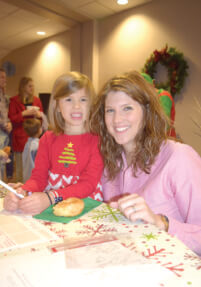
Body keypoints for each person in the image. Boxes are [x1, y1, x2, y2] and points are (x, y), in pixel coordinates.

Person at [90, 70, 201, 256]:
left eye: (127, 108)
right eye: (110, 110)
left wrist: (161, 223)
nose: (117, 119)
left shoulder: (179, 158)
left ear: (147, 112)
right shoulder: (110, 160)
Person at [4, 71, 103, 215]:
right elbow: (38, 178)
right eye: (68, 100)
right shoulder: (47, 139)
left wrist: (51, 197)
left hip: (86, 208)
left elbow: (88, 184)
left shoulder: (98, 140)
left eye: (83, 99)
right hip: (51, 207)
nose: (76, 106)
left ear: (91, 104)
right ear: (57, 104)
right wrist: (21, 193)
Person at [8, 77, 43, 182]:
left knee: (35, 166)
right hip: (20, 138)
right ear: (23, 87)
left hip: (34, 135)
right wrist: (23, 114)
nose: (32, 88)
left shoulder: (36, 100)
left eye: (33, 86)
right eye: (29, 86)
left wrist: (38, 115)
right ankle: (20, 190)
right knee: (20, 167)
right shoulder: (14, 101)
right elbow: (12, 119)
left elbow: (42, 118)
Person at [141, 72, 176, 137]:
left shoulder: (163, 96)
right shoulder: (143, 99)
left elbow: (164, 124)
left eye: (147, 87)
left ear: (153, 83)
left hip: (165, 139)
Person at [0, 68, 13, 180]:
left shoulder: (3, 96)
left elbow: (5, 114)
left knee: (2, 162)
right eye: (2, 77)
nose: (5, 80)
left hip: (4, 133)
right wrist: (4, 123)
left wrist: (8, 122)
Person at [22, 118, 42, 182]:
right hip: (35, 177)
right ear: (39, 130)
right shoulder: (38, 145)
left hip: (26, 174)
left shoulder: (27, 144)